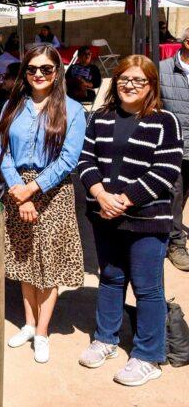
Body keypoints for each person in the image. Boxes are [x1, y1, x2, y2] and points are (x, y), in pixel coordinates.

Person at [76, 55, 179, 387]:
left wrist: (125, 200)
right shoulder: (101, 117)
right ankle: (106, 337)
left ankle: (148, 355)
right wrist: (100, 195)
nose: (130, 85)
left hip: (147, 217)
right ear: (115, 81)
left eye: (139, 80)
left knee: (148, 288)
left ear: (151, 85)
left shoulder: (165, 122)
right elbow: (86, 159)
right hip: (103, 213)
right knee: (110, 277)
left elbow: (166, 172)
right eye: (124, 78)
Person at [0, 45, 86, 364]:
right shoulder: (13, 105)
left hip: (52, 191)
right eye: (32, 69)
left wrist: (32, 189)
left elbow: (68, 159)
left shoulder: (73, 110)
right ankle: (29, 323)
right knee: (24, 259)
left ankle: (43, 331)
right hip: (17, 188)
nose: (38, 75)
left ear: (57, 72)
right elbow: (2, 149)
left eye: (46, 69)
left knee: (48, 264)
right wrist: (17, 189)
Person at [158, 28, 189, 271]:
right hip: (173, 145)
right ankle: (175, 242)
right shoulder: (162, 69)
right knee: (174, 193)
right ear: (187, 43)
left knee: (182, 194)